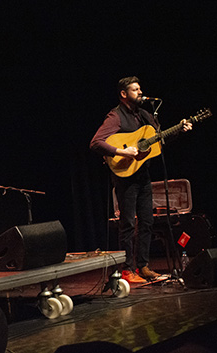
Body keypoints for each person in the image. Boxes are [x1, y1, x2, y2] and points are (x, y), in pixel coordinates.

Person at [90, 76, 191, 283]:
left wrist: (179, 130)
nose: (140, 92)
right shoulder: (116, 116)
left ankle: (143, 266)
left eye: (140, 89)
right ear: (124, 94)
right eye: (135, 90)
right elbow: (96, 143)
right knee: (127, 223)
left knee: (147, 221)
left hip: (143, 175)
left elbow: (158, 140)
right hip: (125, 177)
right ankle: (127, 270)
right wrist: (123, 152)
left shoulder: (145, 115)